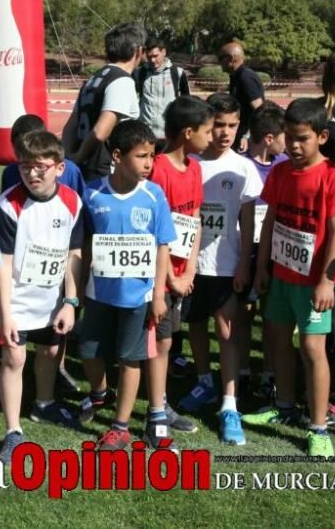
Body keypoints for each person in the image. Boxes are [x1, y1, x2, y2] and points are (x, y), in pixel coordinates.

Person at [245, 98, 335, 460]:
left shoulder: (332, 178)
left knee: (312, 349)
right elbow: (271, 221)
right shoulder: (279, 172)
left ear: (321, 136)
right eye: (288, 137)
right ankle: (286, 404)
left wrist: (328, 280)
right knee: (276, 340)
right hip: (280, 276)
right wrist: (262, 268)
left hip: (313, 283)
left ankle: (319, 426)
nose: (292, 145)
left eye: (301, 138)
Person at [77, 120, 175, 451]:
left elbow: (163, 244)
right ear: (117, 156)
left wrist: (159, 293)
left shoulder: (153, 195)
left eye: (152, 156)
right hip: (98, 292)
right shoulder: (92, 193)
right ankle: (101, 392)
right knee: (89, 352)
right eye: (142, 156)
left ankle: (120, 427)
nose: (149, 163)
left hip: (139, 295)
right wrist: (77, 289)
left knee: (130, 358)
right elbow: (85, 243)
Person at [0, 130, 84, 463]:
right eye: (25, 166)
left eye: (40, 167)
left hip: (52, 299)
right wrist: (6, 313)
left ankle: (43, 405)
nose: (32, 173)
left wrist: (71, 302)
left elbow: (74, 254)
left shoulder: (73, 201)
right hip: (14, 300)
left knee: (51, 350)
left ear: (59, 167)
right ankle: (13, 431)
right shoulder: (9, 205)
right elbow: (2, 265)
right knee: (14, 358)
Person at [176, 93, 262, 448]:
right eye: (218, 126)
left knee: (227, 332)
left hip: (227, 265)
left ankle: (229, 404)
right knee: (196, 325)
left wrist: (244, 262)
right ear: (205, 126)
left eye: (232, 125)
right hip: (192, 265)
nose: (225, 133)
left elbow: (247, 218)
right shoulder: (191, 163)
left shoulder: (243, 168)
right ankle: (203, 380)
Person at [146, 96, 212, 445]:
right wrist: (171, 276)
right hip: (160, 275)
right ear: (188, 132)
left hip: (182, 274)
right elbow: (155, 229)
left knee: (167, 339)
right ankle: (157, 408)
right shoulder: (158, 169)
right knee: (161, 339)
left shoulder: (196, 167)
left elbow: (195, 219)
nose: (212, 136)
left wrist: (190, 270)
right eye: (207, 130)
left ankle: (159, 403)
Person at [239, 103, 287, 403]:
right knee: (243, 316)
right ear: (269, 138)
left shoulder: (284, 165)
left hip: (278, 251)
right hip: (247, 250)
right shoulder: (241, 165)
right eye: (285, 135)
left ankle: (270, 376)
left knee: (273, 319)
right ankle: (243, 374)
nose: (290, 142)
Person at [62, 23, 145, 181]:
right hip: (104, 171)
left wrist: (69, 157)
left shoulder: (94, 78)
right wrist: (78, 157)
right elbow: (101, 131)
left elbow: (71, 125)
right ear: (139, 51)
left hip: (84, 168)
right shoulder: (122, 81)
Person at [0, 114, 85, 196]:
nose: (32, 173)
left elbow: (82, 205)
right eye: (19, 149)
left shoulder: (70, 170)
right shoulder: (10, 173)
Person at [135, 36, 190, 142]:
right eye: (149, 56)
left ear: (164, 52)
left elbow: (187, 102)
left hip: (169, 135)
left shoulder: (178, 73)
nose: (152, 60)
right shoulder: (139, 73)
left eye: (155, 56)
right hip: (145, 135)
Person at [218, 42, 264, 150]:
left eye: (221, 58)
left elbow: (260, 109)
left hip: (246, 137)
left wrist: (247, 136)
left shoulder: (245, 77)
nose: (219, 62)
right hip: (238, 131)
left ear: (231, 58)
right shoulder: (236, 76)